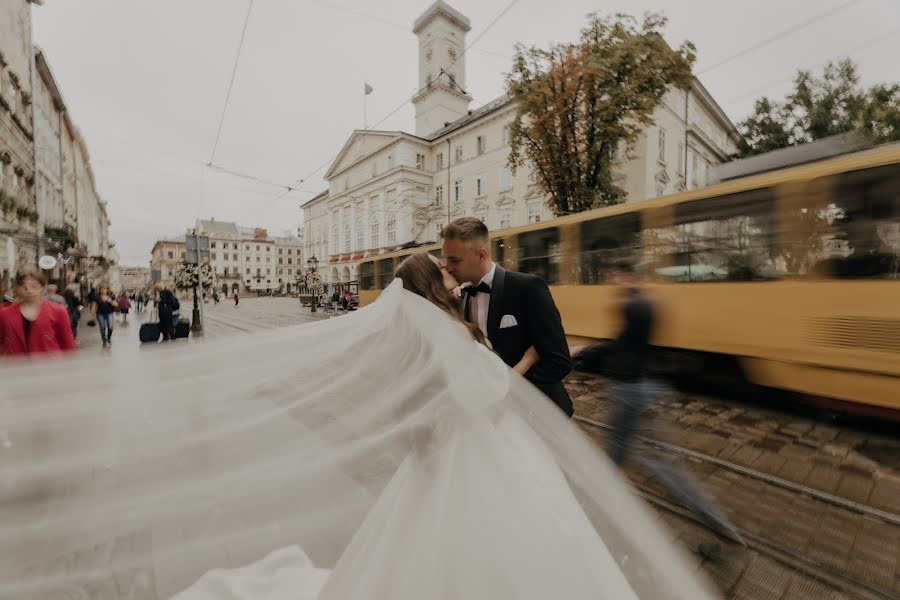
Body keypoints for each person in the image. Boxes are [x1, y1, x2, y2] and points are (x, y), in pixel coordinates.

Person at [573, 262, 743, 554]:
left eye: (616, 278)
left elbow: (620, 344)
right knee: (647, 460)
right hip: (646, 388)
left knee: (639, 461)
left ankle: (592, 516)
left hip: (629, 393)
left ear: (628, 277)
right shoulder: (648, 303)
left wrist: (581, 351)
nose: (612, 284)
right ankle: (720, 525)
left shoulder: (634, 307)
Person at [441, 217, 573, 416]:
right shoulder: (460, 298)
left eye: (454, 260)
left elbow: (558, 360)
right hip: (494, 418)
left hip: (540, 416)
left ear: (481, 255)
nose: (448, 267)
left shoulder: (528, 288)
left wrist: (508, 395)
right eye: (446, 259)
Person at [0, 271, 75, 355]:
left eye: (34, 286)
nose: (29, 290)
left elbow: (68, 345)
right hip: (15, 365)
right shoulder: (4, 314)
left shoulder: (58, 311)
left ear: (42, 287)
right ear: (17, 288)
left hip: (49, 365)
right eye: (24, 287)